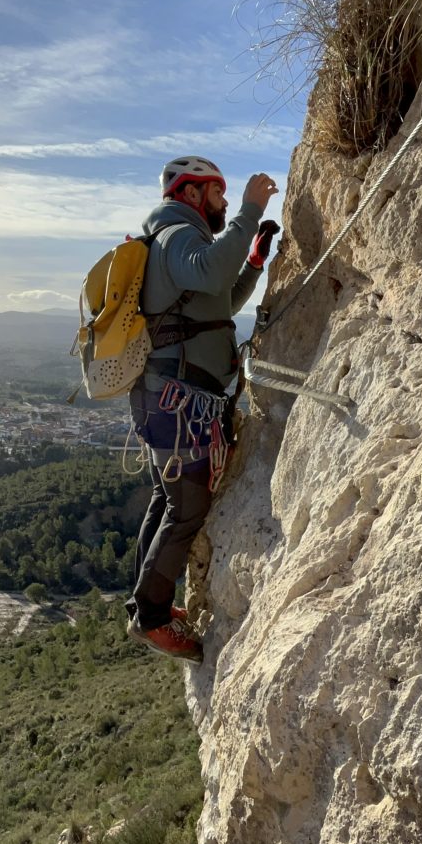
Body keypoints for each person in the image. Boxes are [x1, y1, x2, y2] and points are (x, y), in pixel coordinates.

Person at [125, 155, 280, 664]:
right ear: (192, 194)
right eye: (219, 193)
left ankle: (148, 604)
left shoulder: (177, 241)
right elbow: (212, 272)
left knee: (166, 501)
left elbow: (219, 300)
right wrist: (252, 213)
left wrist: (253, 262)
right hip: (179, 401)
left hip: (169, 399)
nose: (227, 202)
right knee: (185, 508)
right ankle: (149, 618)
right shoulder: (175, 235)